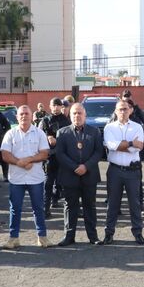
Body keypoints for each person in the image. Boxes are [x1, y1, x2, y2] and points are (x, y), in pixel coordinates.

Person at [0, 105, 51, 249]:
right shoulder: (10, 133)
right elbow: (5, 154)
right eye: (21, 114)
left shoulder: (39, 133)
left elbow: (44, 153)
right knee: (15, 208)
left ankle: (42, 237)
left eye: (26, 114)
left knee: (38, 208)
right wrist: (19, 163)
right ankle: (13, 238)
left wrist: (28, 160)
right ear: (17, 117)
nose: (24, 116)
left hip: (35, 178)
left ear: (31, 116)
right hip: (16, 178)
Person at [55, 103, 104, 246]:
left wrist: (86, 166)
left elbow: (98, 152)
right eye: (74, 113)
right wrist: (75, 167)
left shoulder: (94, 132)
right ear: (70, 116)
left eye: (80, 113)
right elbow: (60, 154)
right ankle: (69, 236)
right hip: (70, 175)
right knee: (70, 207)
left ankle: (93, 236)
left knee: (90, 206)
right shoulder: (62, 133)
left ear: (85, 115)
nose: (77, 116)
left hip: (89, 175)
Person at [102, 100, 144, 244]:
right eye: (120, 109)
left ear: (130, 110)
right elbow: (111, 145)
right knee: (113, 204)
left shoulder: (138, 127)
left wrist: (122, 145)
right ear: (115, 111)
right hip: (115, 170)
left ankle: (138, 232)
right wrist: (131, 143)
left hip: (132, 171)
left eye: (125, 109)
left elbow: (137, 148)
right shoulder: (109, 127)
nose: (123, 112)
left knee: (135, 203)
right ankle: (109, 233)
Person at [39, 97, 71, 218]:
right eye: (54, 105)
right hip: (49, 158)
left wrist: (58, 140)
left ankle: (72, 210)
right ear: (50, 106)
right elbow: (39, 136)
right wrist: (48, 137)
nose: (56, 107)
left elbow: (70, 137)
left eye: (59, 105)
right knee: (48, 184)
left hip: (63, 158)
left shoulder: (66, 121)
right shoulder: (45, 120)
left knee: (66, 185)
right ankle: (45, 210)